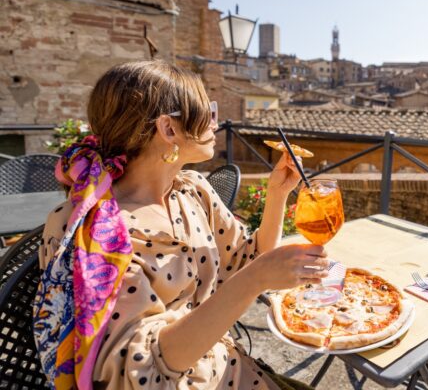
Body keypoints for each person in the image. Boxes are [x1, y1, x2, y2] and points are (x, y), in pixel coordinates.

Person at [32, 60, 326, 389]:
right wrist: (254, 281)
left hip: (229, 367)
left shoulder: (192, 191)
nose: (215, 122)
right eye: (207, 111)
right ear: (169, 129)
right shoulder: (96, 232)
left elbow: (247, 259)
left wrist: (277, 194)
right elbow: (140, 372)